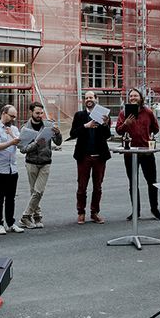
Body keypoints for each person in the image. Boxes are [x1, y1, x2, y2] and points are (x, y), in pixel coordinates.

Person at [115, 89, 160, 221]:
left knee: (152, 181)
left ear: (141, 97)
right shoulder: (124, 113)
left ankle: (155, 209)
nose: (133, 98)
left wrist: (148, 136)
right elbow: (118, 131)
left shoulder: (148, 112)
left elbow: (156, 128)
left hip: (146, 151)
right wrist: (126, 124)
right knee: (133, 183)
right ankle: (136, 211)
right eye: (131, 96)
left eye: (135, 95)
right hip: (130, 153)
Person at [17, 101, 62, 229]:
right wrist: (36, 144)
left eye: (41, 113)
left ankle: (25, 216)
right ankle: (37, 216)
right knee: (34, 192)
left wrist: (58, 133)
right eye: (37, 113)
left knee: (38, 191)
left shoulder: (48, 125)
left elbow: (58, 143)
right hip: (31, 162)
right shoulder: (25, 128)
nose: (40, 115)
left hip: (45, 162)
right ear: (31, 112)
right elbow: (22, 149)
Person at [70, 91, 111, 224]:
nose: (89, 99)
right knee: (82, 186)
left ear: (96, 99)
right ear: (84, 100)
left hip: (100, 156)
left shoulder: (103, 116)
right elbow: (73, 133)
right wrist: (85, 126)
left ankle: (95, 212)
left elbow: (107, 135)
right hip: (84, 156)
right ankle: (81, 212)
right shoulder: (79, 115)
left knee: (98, 186)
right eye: (86, 97)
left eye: (91, 97)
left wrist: (105, 124)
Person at [0, 105, 24, 234]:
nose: (13, 119)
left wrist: (13, 136)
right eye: (11, 116)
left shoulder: (14, 128)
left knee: (11, 197)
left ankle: (11, 222)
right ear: (4, 113)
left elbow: (20, 143)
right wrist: (11, 142)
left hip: (12, 167)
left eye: (15, 117)